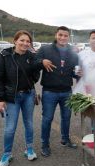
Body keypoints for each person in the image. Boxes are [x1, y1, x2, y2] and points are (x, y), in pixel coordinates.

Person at [0, 30, 40, 166]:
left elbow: (36, 75)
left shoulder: (31, 56)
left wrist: (31, 84)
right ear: (15, 41)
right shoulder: (5, 56)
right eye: (22, 40)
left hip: (28, 95)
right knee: (10, 128)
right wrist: (0, 99)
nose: (25, 43)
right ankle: (7, 154)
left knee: (29, 124)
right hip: (11, 97)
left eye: (28, 41)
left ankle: (29, 149)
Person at [34, 26, 79, 157]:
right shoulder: (45, 49)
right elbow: (33, 62)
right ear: (56, 35)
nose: (63, 38)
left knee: (66, 118)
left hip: (66, 91)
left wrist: (78, 74)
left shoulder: (72, 52)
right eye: (60, 35)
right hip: (49, 91)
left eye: (65, 35)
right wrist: (42, 61)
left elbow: (75, 72)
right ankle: (45, 144)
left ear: (68, 37)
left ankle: (65, 140)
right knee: (47, 119)